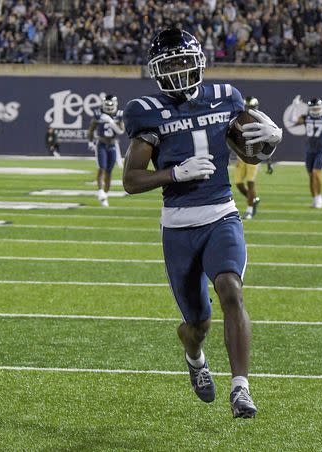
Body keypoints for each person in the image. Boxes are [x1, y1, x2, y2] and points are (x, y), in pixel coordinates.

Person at [121, 28, 282, 418]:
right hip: (178, 225)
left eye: (182, 61)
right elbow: (130, 180)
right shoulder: (145, 111)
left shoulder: (227, 97)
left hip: (221, 214)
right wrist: (175, 174)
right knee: (198, 323)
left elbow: (253, 146)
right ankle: (194, 355)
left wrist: (274, 136)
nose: (177, 70)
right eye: (169, 64)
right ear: (157, 70)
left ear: (198, 63)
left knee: (231, 289)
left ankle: (241, 388)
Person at [290, 95, 322, 208]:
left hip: (321, 151)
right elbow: (292, 119)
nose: (316, 111)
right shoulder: (306, 118)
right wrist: (294, 106)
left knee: (316, 173)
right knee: (310, 176)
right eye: (314, 109)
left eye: (318, 109)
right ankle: (314, 199)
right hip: (310, 151)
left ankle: (319, 198)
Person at [88, 94, 124, 207]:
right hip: (101, 144)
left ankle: (105, 195)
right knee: (101, 168)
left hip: (113, 145)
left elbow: (121, 131)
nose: (109, 107)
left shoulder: (119, 114)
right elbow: (91, 129)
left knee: (109, 172)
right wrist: (90, 141)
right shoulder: (98, 114)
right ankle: (100, 191)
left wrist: (111, 122)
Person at [234, 95, 261, 219]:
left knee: (250, 183)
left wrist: (269, 160)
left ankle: (249, 209)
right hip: (241, 155)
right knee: (238, 183)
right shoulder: (238, 119)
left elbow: (268, 140)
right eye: (248, 107)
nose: (250, 109)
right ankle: (253, 199)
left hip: (253, 156)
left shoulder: (260, 120)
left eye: (252, 107)